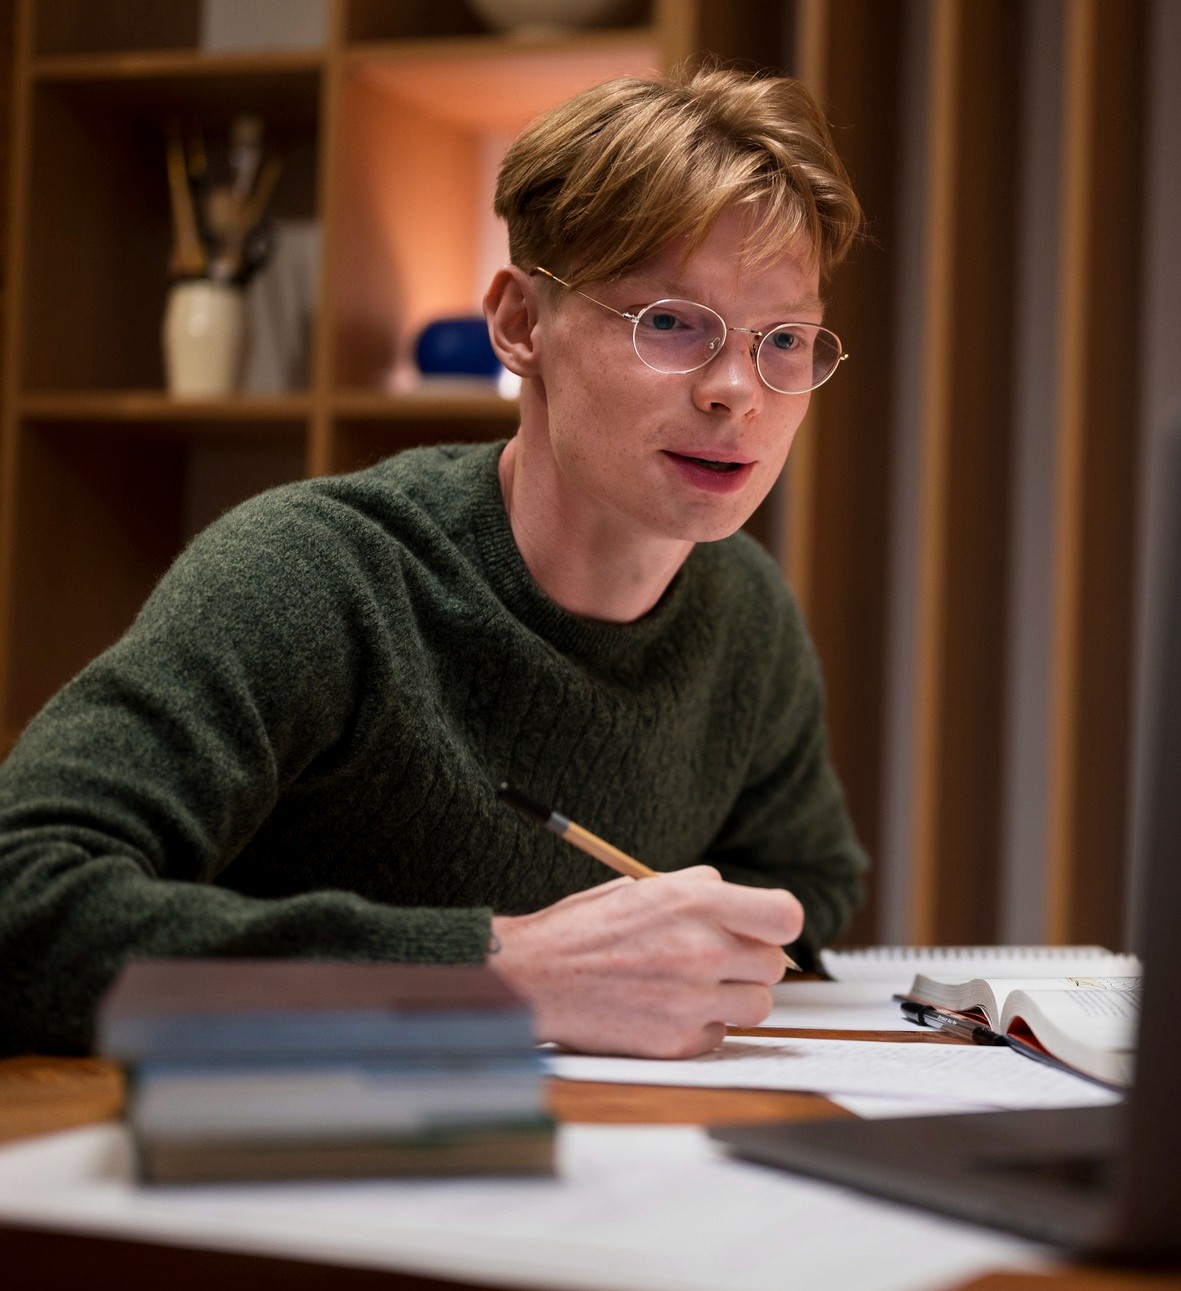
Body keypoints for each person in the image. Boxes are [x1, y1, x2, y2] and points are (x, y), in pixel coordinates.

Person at [0, 67, 867, 1060]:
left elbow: (809, 890)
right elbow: (23, 900)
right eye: (670, 322)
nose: (736, 393)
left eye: (784, 340)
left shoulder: (746, 617)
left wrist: (690, 951)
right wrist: (498, 974)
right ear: (518, 324)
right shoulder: (315, 578)